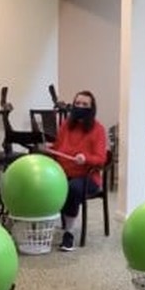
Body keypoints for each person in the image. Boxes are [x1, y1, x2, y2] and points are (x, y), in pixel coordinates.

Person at [45, 91, 107, 251]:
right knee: (48, 184)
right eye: (77, 103)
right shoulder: (66, 125)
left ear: (92, 108)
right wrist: (50, 149)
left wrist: (85, 158)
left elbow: (101, 159)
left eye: (85, 104)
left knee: (72, 188)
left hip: (88, 178)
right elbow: (59, 147)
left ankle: (69, 233)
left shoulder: (98, 129)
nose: (80, 106)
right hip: (64, 173)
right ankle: (48, 223)